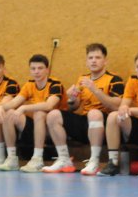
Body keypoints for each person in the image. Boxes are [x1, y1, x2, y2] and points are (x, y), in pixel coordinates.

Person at [44, 43, 124, 174]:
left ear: (105, 61)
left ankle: (94, 160)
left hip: (105, 125)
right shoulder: (82, 79)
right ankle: (64, 158)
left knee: (94, 113)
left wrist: (95, 90)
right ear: (86, 61)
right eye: (90, 58)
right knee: (53, 115)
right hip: (86, 121)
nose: (94, 61)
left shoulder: (114, 79)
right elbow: (73, 108)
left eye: (98, 57)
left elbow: (116, 106)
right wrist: (71, 99)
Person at [0, 54, 64, 172]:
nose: (36, 72)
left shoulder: (55, 84)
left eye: (40, 68)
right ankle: (12, 158)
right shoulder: (29, 85)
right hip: (36, 126)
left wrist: (24, 108)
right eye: (33, 69)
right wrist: (1, 107)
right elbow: (14, 102)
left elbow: (49, 105)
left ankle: (37, 159)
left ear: (47, 70)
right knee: (9, 114)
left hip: (53, 127)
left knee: (39, 113)